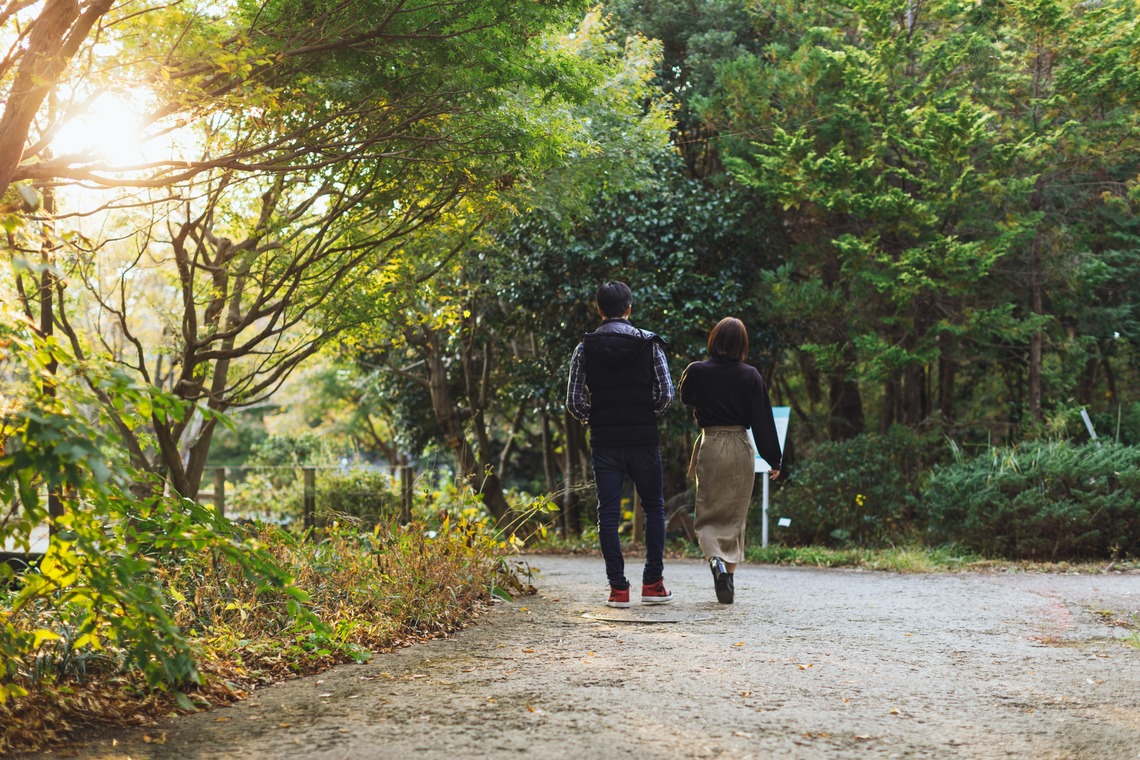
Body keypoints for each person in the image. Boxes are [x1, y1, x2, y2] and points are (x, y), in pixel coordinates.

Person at [566, 282, 675, 608]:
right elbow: (667, 394)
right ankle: (653, 584)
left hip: (605, 442)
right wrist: (647, 413)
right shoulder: (649, 344)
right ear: (629, 308)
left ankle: (619, 589)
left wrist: (591, 417)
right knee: (654, 507)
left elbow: (573, 401)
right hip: (643, 439)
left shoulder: (584, 348)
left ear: (599, 309)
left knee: (608, 515)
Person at [678, 317, 782, 604]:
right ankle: (729, 577)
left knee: (709, 513)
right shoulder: (750, 375)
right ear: (742, 345)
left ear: (713, 339)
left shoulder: (697, 370)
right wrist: (774, 459)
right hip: (739, 446)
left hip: (710, 444)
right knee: (736, 517)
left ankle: (716, 562)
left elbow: (685, 397)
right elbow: (762, 420)